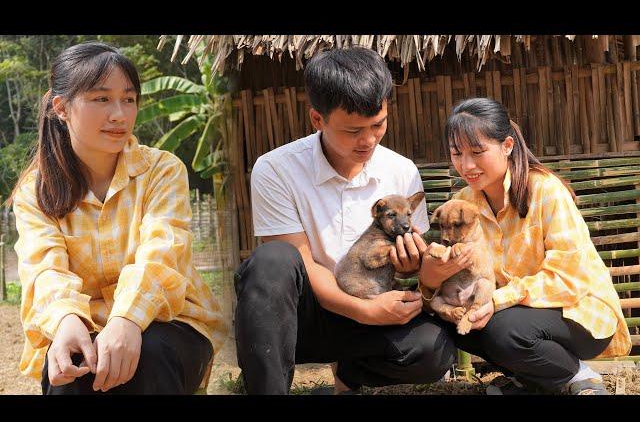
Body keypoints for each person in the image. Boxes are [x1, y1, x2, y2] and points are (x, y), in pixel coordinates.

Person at [234, 46, 474, 395]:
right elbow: (300, 262)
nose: (369, 140)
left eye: (378, 124)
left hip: (373, 300)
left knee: (433, 349)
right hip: (305, 316)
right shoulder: (275, 169)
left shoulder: (401, 171)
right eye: (353, 131)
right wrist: (363, 311)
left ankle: (348, 375)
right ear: (318, 119)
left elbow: (411, 268)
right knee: (271, 261)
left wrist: (409, 268)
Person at [11, 41, 227, 395]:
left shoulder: (162, 170)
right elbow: (43, 268)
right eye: (101, 99)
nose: (120, 114)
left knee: (152, 354)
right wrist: (66, 320)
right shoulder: (36, 191)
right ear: (61, 108)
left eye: (128, 99)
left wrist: (127, 319)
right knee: (71, 371)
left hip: (170, 321)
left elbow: (161, 255)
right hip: (85, 324)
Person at [418, 97, 632, 395]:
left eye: (478, 152)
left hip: (576, 310)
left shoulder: (545, 190)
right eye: (456, 153)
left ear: (507, 146)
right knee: (455, 321)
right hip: (514, 312)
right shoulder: (464, 201)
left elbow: (567, 279)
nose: (466, 165)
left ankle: (578, 375)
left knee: (503, 329)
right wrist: (433, 279)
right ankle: (532, 381)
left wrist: (497, 300)